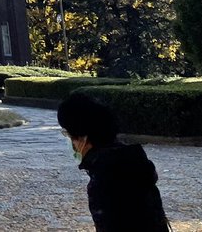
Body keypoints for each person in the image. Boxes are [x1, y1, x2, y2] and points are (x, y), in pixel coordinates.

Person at [57, 92, 171, 232]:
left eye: (68, 135)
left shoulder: (105, 176)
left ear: (83, 138)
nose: (69, 141)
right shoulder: (132, 160)